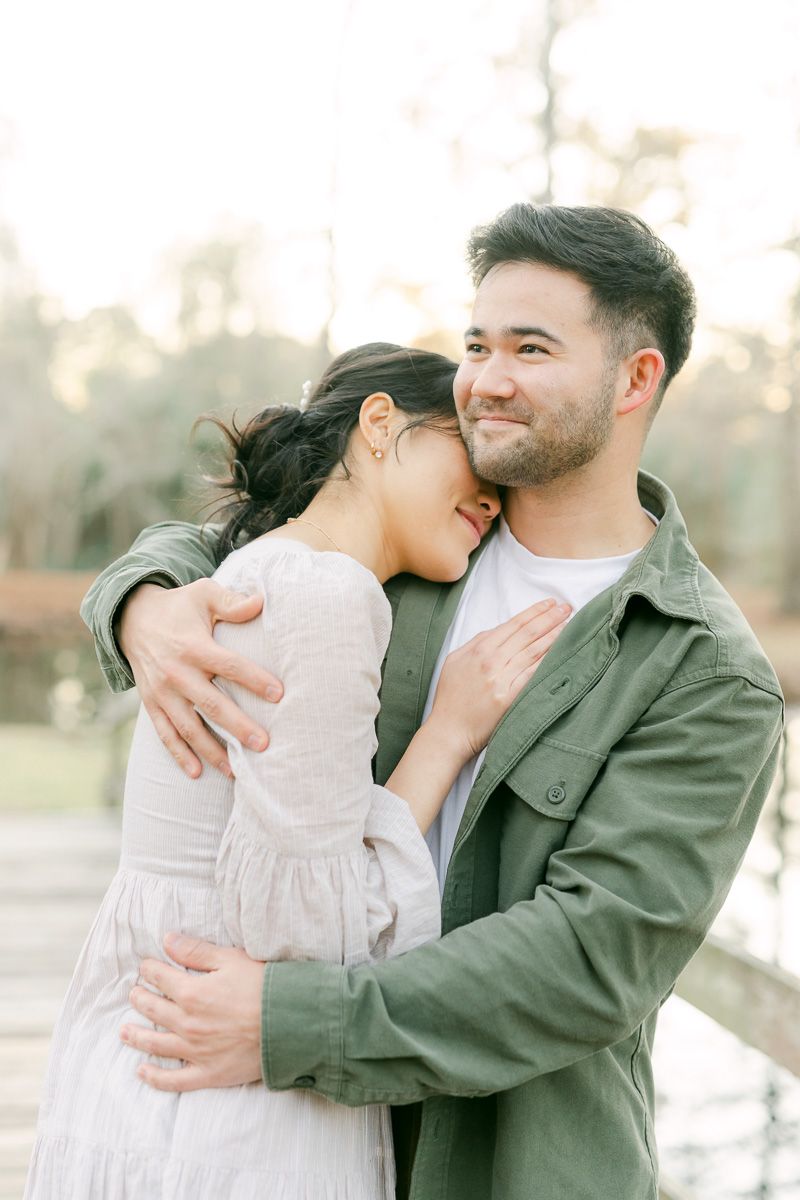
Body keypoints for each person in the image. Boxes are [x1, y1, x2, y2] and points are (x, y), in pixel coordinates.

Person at [78, 206, 784, 1200]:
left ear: (634, 379)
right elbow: (243, 544)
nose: (484, 378)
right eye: (476, 343)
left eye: (530, 348)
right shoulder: (419, 539)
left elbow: (586, 958)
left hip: (504, 1164)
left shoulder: (704, 673)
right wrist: (138, 605)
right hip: (290, 1140)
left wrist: (288, 1023)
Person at [25, 342, 572, 1200]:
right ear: (381, 424)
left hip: (153, 1072)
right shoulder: (329, 595)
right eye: (471, 452)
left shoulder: (265, 570)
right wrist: (446, 736)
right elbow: (306, 931)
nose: (495, 501)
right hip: (229, 1114)